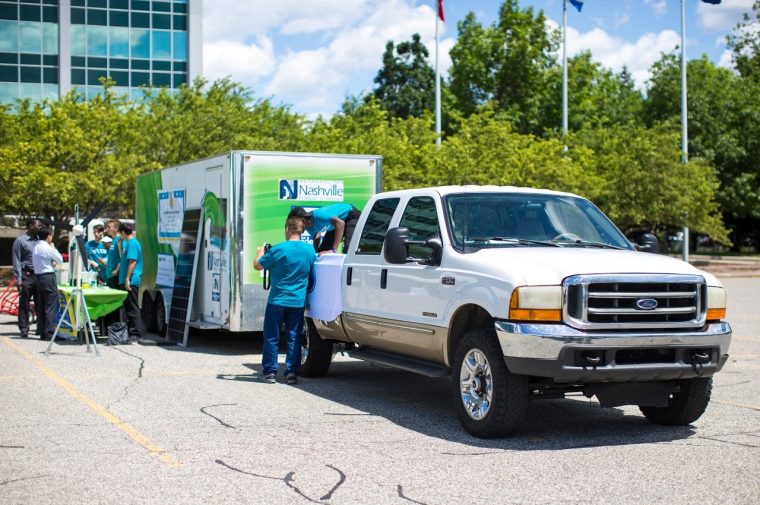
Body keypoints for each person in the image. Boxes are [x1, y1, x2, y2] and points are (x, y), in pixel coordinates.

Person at [254, 216, 316, 384]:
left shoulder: (278, 249)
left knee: (271, 337)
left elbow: (258, 265)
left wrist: (260, 253)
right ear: (301, 231)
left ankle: (269, 373)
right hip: (297, 302)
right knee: (294, 337)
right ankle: (291, 373)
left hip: (277, 301)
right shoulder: (310, 251)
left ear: (287, 230)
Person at [11, 219, 42, 338]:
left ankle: (40, 327)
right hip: (26, 274)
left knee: (40, 302)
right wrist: (18, 278)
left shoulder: (40, 240)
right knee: (24, 303)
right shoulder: (20, 241)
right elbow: (16, 260)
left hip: (39, 275)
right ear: (30, 226)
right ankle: (24, 328)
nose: (40, 227)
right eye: (38, 225)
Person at [292, 203, 361, 255]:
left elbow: (340, 224)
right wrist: (315, 252)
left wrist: (333, 250)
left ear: (302, 220)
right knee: (322, 252)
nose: (294, 225)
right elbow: (317, 236)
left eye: (294, 222)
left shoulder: (320, 215)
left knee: (348, 248)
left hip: (351, 215)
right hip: (336, 223)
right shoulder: (307, 225)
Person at [32, 228, 63, 341]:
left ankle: (42, 332)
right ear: (48, 236)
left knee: (41, 305)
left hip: (38, 277)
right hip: (48, 277)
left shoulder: (36, 246)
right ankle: (50, 333)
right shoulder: (47, 247)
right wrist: (53, 248)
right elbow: (60, 259)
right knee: (51, 305)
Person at [118, 223, 144, 340]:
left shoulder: (132, 243)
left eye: (120, 233)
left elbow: (132, 262)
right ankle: (130, 331)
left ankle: (136, 333)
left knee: (132, 306)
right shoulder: (129, 243)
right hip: (128, 279)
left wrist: (127, 278)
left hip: (132, 280)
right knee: (127, 307)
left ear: (123, 232)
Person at [105, 219, 122, 289]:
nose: (107, 229)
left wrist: (117, 270)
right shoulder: (113, 240)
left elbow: (123, 257)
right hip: (109, 276)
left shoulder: (120, 240)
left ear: (116, 229)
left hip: (115, 276)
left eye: (109, 227)